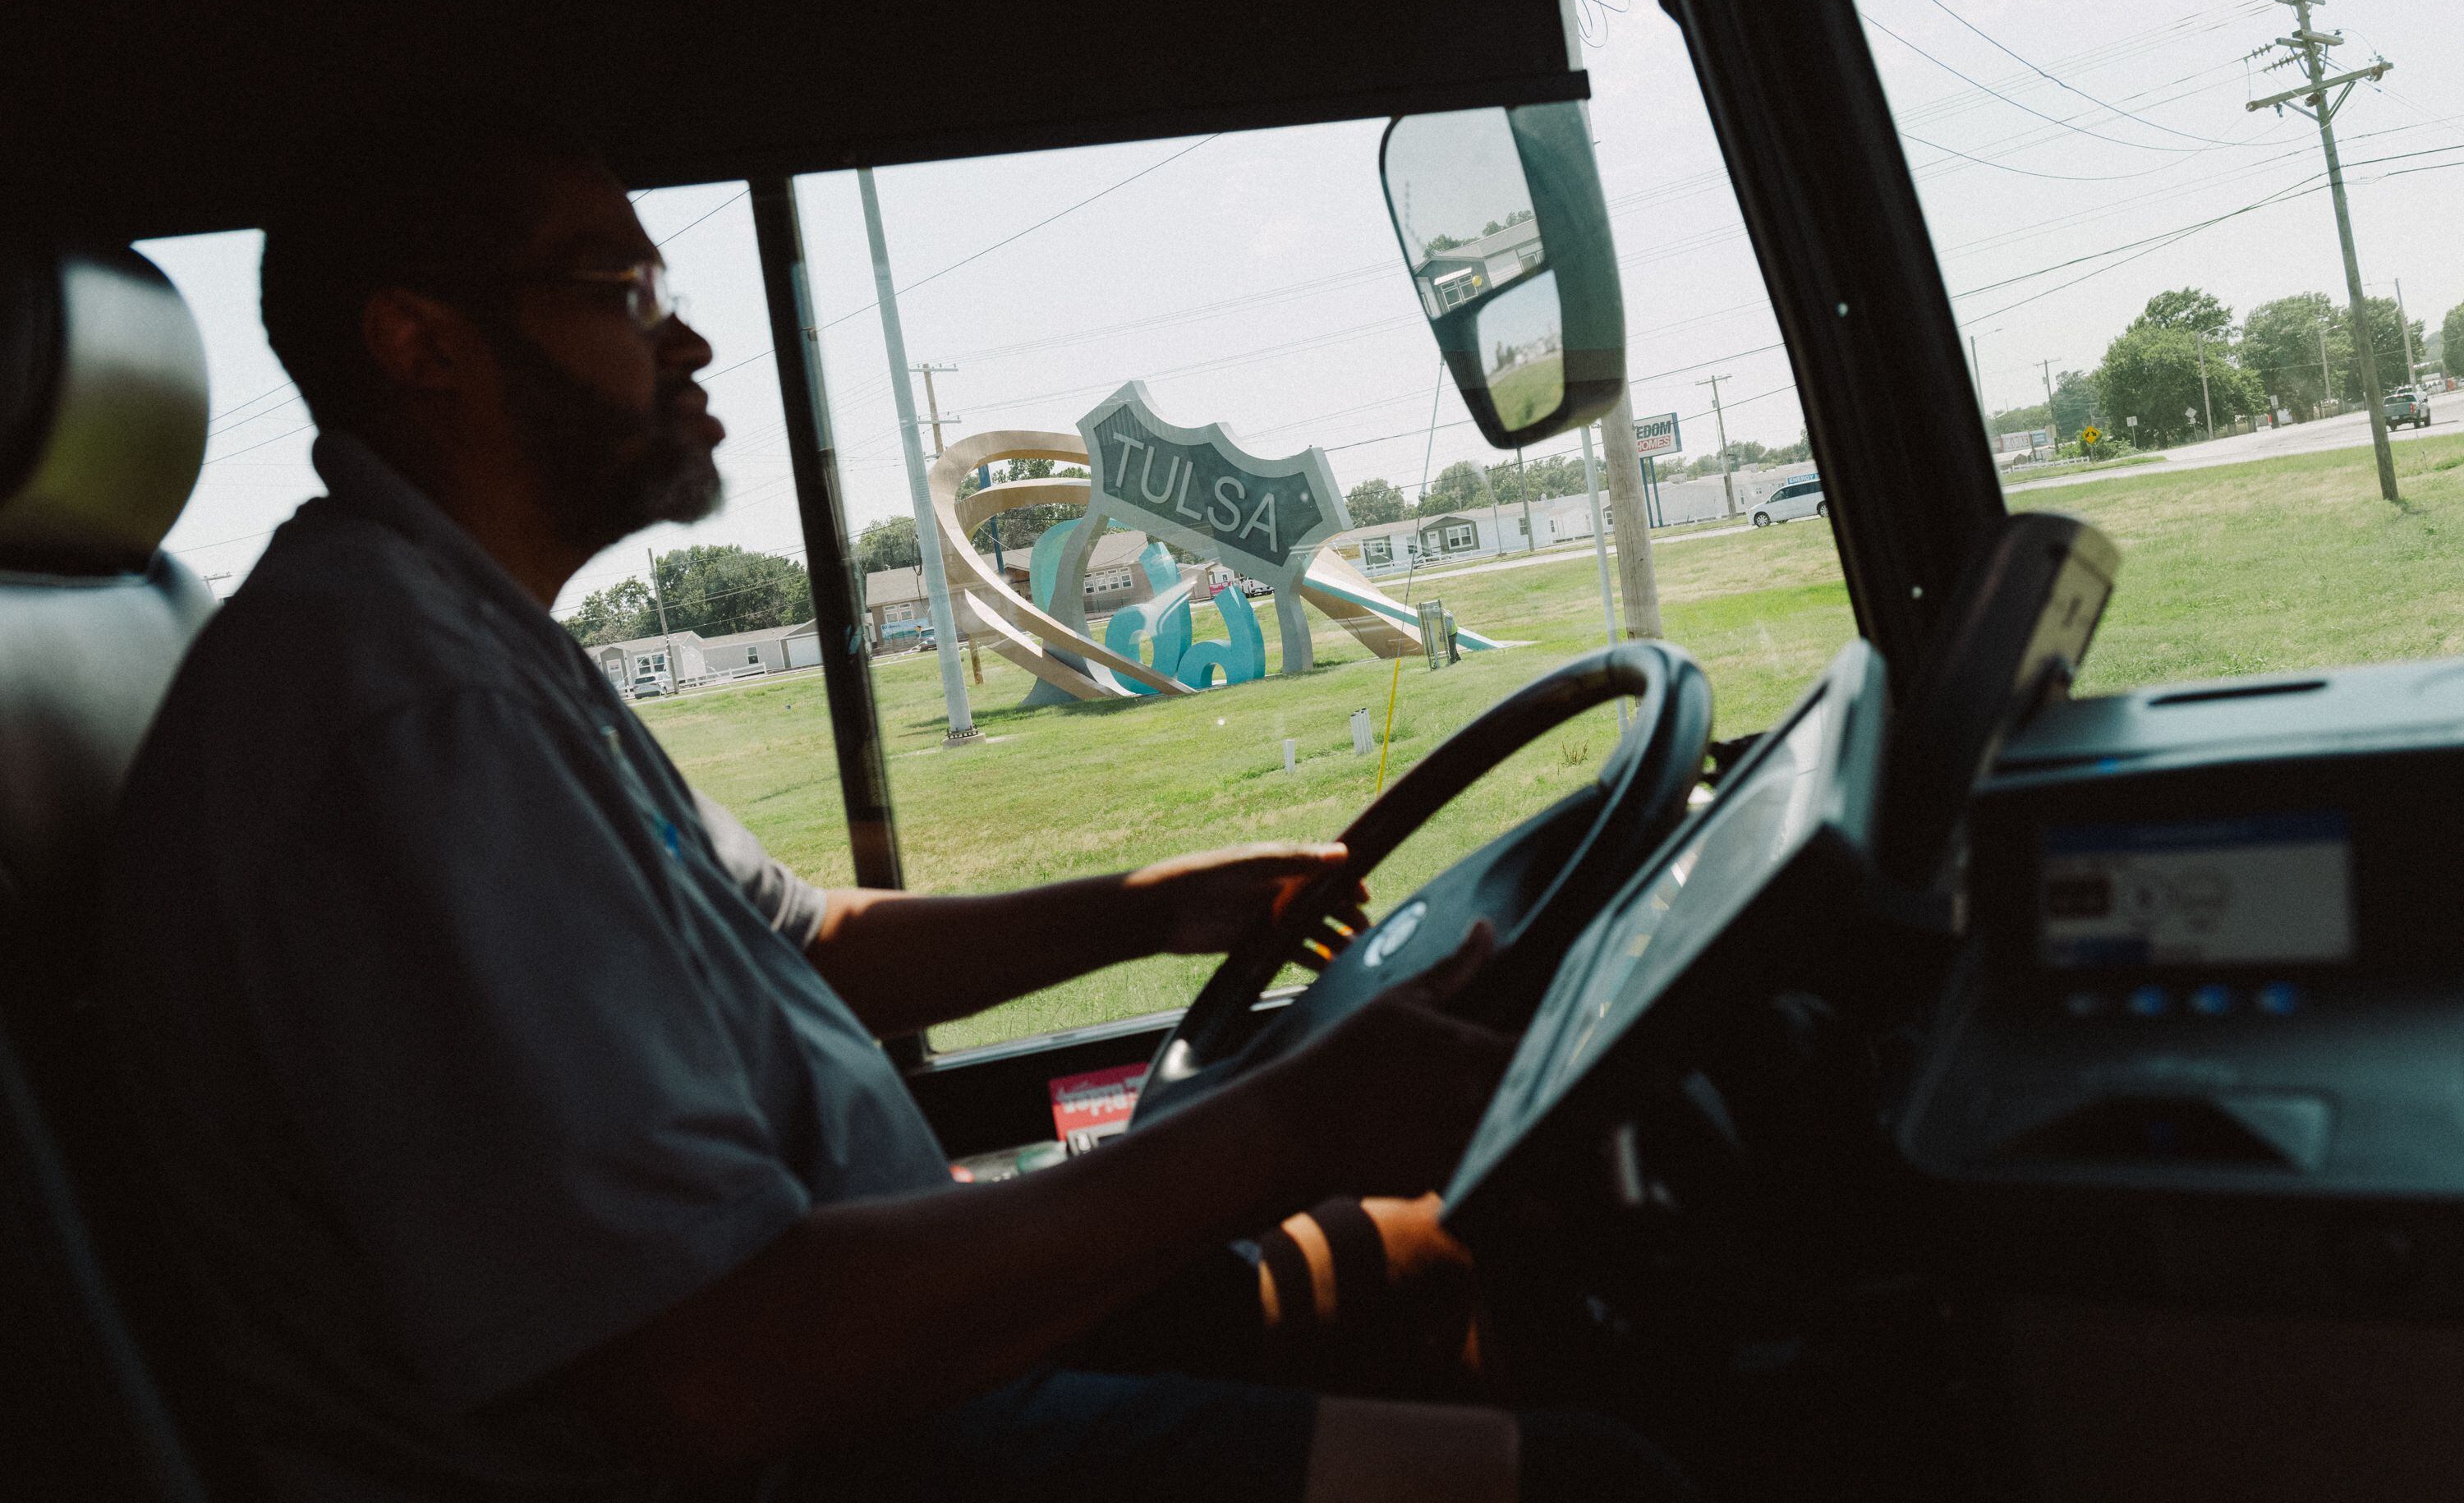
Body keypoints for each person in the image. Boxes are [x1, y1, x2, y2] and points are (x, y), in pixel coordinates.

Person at [95, 131, 1694, 1501]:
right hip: (817, 1440)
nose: (688, 341)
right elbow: (713, 1368)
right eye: (623, 289)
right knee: (1598, 1477)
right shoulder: (403, 709)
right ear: (419, 344)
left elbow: (799, 943)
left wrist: (1148, 911)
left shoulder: (466, 642)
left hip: (864, 1363)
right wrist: (1290, 1126)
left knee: (1439, 1264)